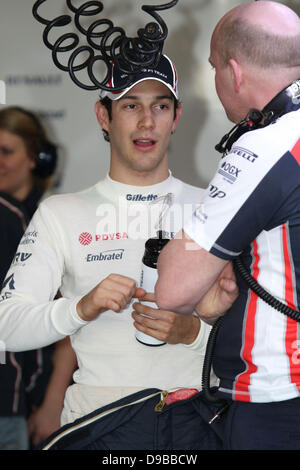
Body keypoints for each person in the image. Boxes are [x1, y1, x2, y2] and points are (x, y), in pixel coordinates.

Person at [0, 55, 237, 450]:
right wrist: (80, 309)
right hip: (100, 423)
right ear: (104, 116)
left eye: (160, 106)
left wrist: (196, 333)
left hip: (199, 420)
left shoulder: (217, 208)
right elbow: (7, 325)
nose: (147, 122)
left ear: (176, 117)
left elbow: (268, 333)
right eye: (130, 105)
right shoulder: (61, 213)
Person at [155, 1, 300, 450]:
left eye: (215, 67)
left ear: (234, 73)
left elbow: (173, 290)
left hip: (279, 399)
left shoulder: (269, 145)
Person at [0, 106, 69, 449]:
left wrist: (52, 403)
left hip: (41, 398)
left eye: (6, 151)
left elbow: (73, 318)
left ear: (36, 159)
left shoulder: (55, 219)